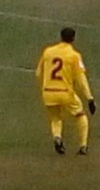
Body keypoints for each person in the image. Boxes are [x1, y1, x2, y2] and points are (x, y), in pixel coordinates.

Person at [36, 27, 95, 156]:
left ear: (60, 36)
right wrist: (89, 97)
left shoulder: (48, 52)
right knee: (80, 115)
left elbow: (39, 73)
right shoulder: (74, 55)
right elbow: (81, 78)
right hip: (65, 92)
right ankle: (83, 145)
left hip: (48, 92)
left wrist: (44, 87)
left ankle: (57, 137)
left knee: (55, 118)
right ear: (73, 39)